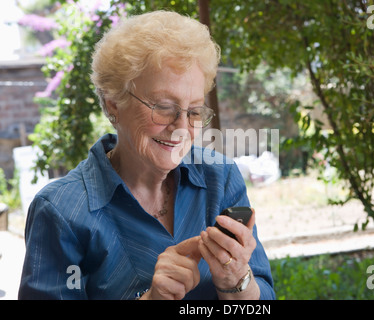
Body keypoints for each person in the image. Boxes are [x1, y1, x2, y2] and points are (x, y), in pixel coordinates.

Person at [19, 10, 275, 300]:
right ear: (113, 103)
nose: (181, 128)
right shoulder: (61, 211)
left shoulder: (220, 178)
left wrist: (235, 281)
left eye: (193, 111)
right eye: (164, 106)